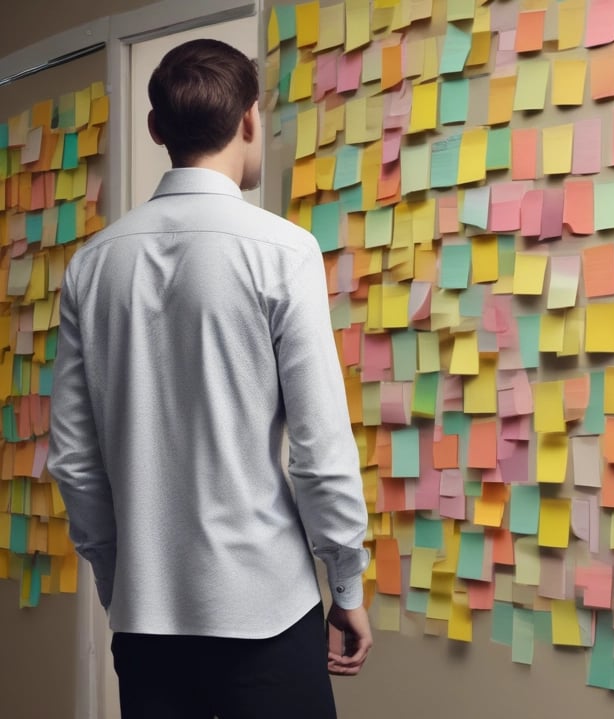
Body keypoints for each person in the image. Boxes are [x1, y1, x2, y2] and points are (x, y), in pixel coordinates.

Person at [47, 38, 371, 719]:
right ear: (250, 120)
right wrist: (347, 585)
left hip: (146, 624)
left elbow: (75, 461)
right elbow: (320, 451)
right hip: (268, 613)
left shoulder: (91, 266)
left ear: (155, 129)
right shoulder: (284, 251)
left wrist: (123, 583)